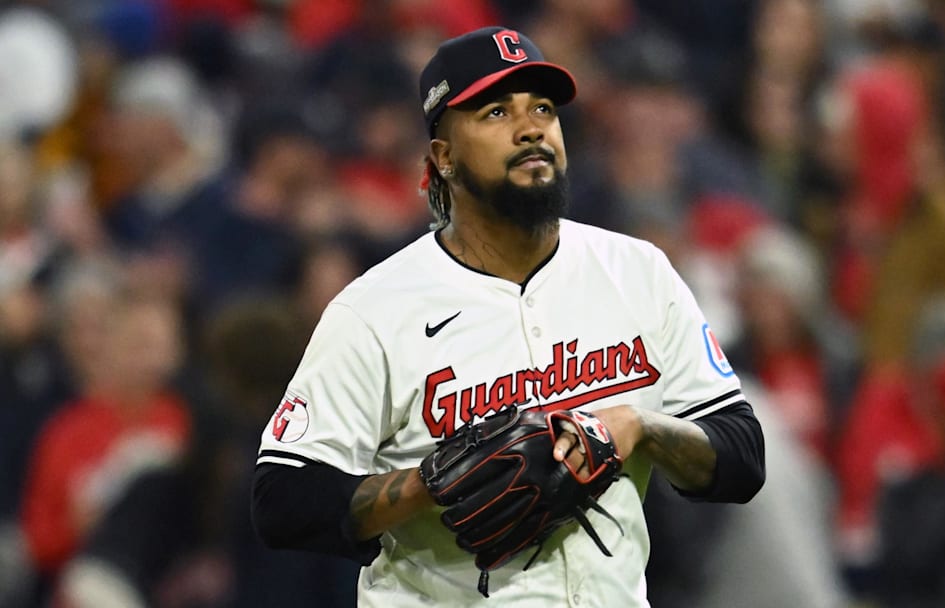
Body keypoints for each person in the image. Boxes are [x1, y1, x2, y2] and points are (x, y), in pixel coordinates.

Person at [250, 26, 765, 607]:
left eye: (543, 109)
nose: (531, 128)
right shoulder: (376, 308)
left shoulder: (636, 271)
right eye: (496, 112)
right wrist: (425, 486)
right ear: (443, 157)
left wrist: (639, 427)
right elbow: (282, 498)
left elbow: (741, 453)